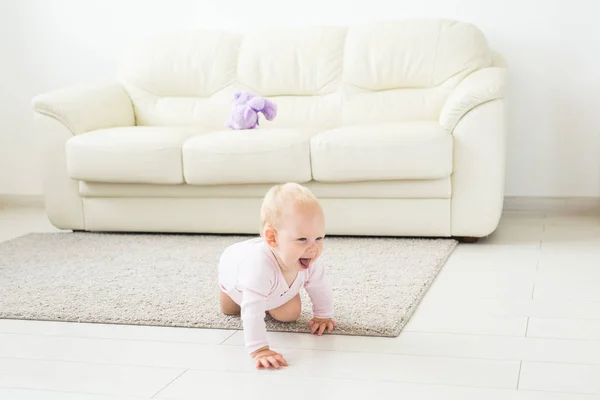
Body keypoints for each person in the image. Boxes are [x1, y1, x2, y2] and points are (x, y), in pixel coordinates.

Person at [217, 182, 336, 369]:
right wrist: (260, 349)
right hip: (235, 281)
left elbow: (320, 287)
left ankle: (273, 293)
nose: (313, 248)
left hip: (272, 286)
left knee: (290, 314)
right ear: (272, 238)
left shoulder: (310, 259)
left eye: (319, 238)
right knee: (231, 309)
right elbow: (252, 310)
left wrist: (323, 315)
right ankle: (239, 293)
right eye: (302, 239)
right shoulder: (258, 267)